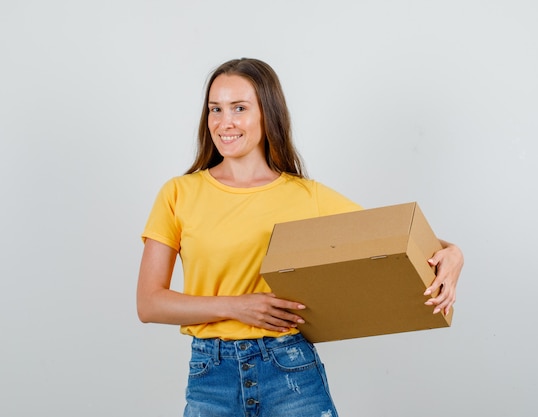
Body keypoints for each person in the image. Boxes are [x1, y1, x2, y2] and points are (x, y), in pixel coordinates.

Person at [137, 58, 464, 417]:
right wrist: (237, 306)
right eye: (215, 109)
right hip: (210, 376)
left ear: (268, 113)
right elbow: (150, 303)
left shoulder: (307, 196)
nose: (224, 122)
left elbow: (390, 238)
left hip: (289, 369)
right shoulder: (179, 193)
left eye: (239, 108)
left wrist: (453, 253)